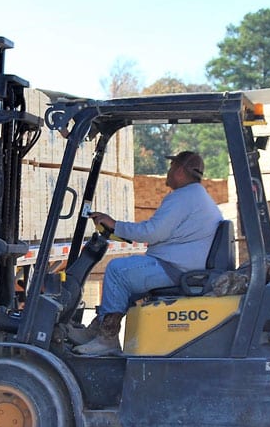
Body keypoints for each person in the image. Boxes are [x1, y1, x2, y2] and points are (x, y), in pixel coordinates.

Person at [73, 150, 223, 356]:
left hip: (176, 269)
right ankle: (97, 329)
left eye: (171, 168)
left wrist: (114, 224)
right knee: (127, 278)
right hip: (182, 265)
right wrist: (117, 228)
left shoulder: (182, 198)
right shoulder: (197, 196)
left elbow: (152, 232)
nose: (168, 172)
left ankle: (107, 339)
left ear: (179, 171)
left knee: (118, 271)